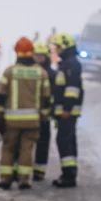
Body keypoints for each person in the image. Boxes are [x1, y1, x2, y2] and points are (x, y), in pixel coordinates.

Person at [0, 37, 52, 189]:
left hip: (11, 121)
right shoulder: (41, 73)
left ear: (17, 53)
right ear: (32, 53)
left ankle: (5, 179)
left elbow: (0, 96)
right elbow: (46, 98)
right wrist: (44, 116)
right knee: (27, 149)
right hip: (32, 121)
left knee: (8, 148)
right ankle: (23, 180)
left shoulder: (9, 72)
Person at [49, 32, 84, 188]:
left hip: (67, 112)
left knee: (63, 141)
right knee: (68, 140)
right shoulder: (68, 63)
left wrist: (66, 109)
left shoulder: (71, 64)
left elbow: (72, 89)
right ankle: (69, 174)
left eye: (58, 47)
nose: (56, 50)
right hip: (66, 111)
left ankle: (69, 176)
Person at [32, 40, 56, 181]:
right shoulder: (31, 72)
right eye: (36, 55)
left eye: (40, 56)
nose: (38, 58)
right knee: (27, 143)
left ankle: (39, 171)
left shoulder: (51, 74)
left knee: (43, 143)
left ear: (45, 56)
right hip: (31, 113)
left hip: (44, 115)